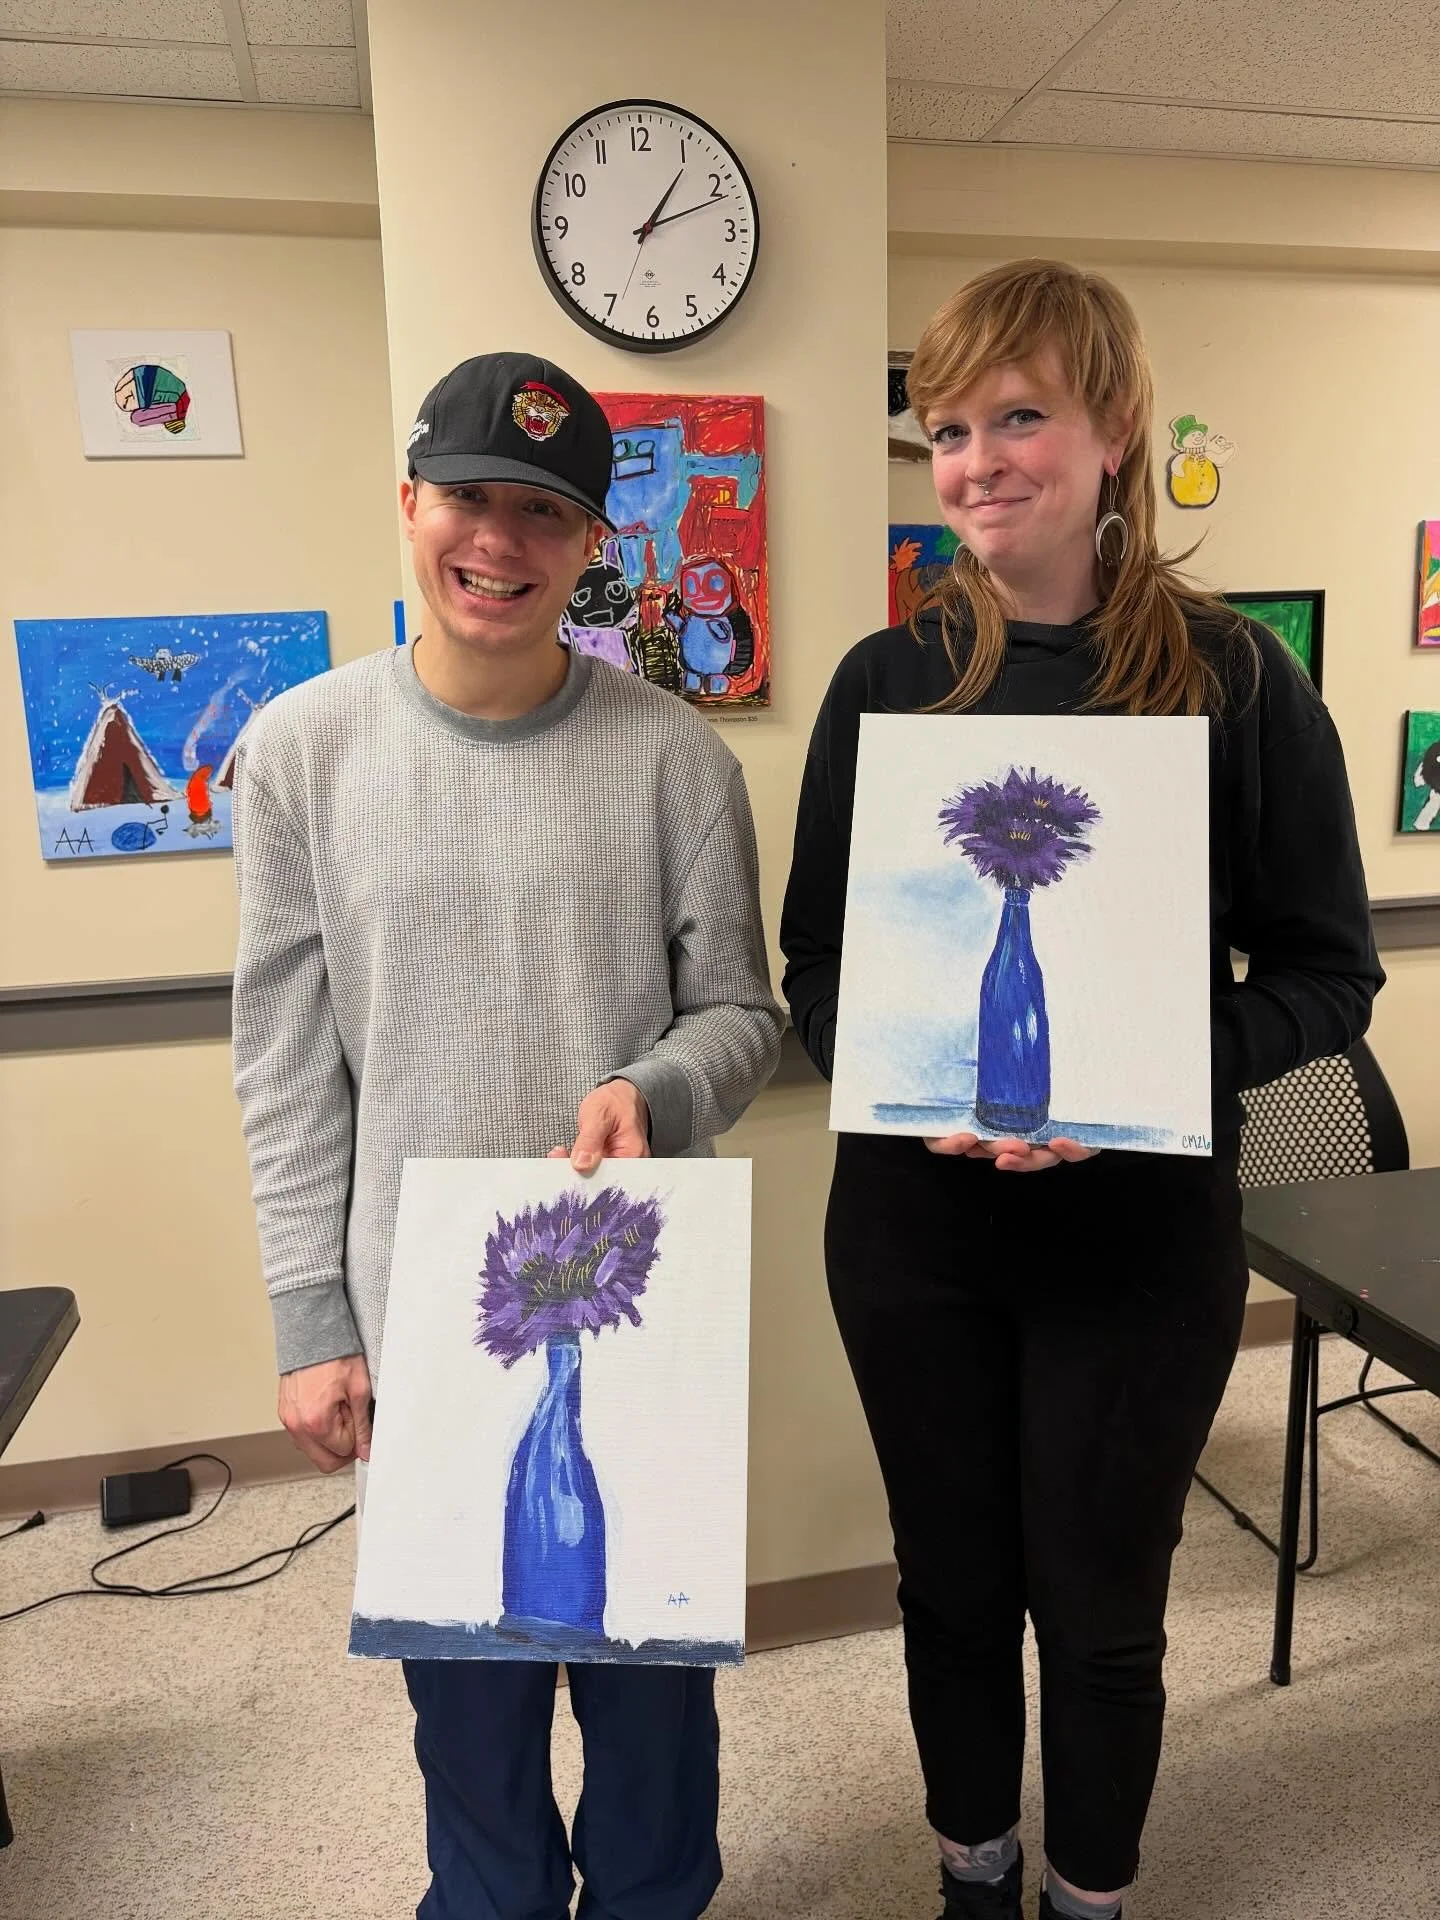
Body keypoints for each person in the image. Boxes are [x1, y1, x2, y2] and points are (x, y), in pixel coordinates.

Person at [780, 261, 1382, 1920]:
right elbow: (816, 972)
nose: (976, 459)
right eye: (949, 428)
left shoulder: (1237, 683)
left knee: (1103, 1605)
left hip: (1137, 1238)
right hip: (915, 1231)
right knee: (952, 1587)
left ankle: (1090, 1898)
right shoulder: (883, 687)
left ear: (1115, 430)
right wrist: (906, 1083)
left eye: (1020, 415)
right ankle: (975, 1872)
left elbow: (1333, 976)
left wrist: (1147, 1077)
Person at [231, 351, 782, 1920]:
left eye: (546, 510)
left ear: (593, 545)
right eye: (471, 496)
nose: (502, 539)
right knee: (468, 1739)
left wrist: (655, 1090)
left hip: (634, 1325)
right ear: (410, 505)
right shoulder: (298, 754)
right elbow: (283, 1066)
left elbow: (744, 1014)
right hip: (424, 1327)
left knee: (653, 1722)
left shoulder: (677, 757)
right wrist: (310, 1320)